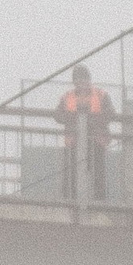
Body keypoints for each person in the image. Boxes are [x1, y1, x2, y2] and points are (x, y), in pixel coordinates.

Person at [55, 64, 116, 202]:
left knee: (98, 174)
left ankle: (99, 202)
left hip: (96, 140)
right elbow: (57, 115)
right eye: (78, 80)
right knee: (71, 174)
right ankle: (70, 202)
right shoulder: (67, 96)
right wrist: (74, 119)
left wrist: (91, 122)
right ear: (74, 81)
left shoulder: (101, 95)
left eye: (84, 79)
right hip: (74, 141)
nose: (81, 82)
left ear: (89, 80)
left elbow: (111, 113)